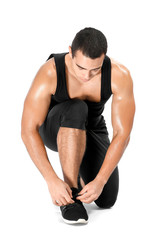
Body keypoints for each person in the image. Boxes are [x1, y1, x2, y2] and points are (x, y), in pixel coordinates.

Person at [21, 27, 135, 224]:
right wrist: (51, 180)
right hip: (54, 128)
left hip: (91, 127)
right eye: (81, 68)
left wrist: (100, 181)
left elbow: (122, 134)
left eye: (95, 69)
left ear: (104, 58)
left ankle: (81, 170)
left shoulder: (119, 75)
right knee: (77, 108)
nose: (86, 76)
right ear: (70, 52)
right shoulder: (50, 71)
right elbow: (27, 129)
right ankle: (71, 194)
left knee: (106, 198)